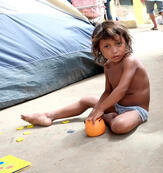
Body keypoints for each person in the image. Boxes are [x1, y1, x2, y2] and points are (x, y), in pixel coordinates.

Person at [21, 21, 150, 135]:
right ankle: (48, 116)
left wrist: (100, 109)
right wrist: (100, 107)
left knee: (119, 126)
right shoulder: (108, 65)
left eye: (118, 43)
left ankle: (109, 118)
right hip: (117, 106)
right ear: (99, 49)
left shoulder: (130, 61)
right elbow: (108, 91)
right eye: (107, 46)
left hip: (136, 110)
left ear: (126, 42)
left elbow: (121, 90)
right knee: (86, 100)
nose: (114, 50)